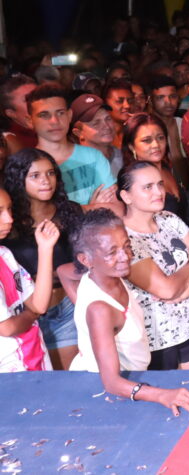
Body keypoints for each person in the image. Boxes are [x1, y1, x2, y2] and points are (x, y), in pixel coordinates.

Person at [65, 209, 189, 415]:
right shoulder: (100, 310)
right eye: (112, 252)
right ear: (86, 260)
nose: (125, 257)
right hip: (110, 391)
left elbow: (63, 272)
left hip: (133, 375)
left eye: (127, 246)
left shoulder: (108, 273)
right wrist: (163, 395)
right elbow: (111, 383)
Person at [118, 162, 189, 370]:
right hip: (156, 342)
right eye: (148, 187)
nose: (159, 192)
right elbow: (166, 289)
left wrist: (184, 293)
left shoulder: (169, 219)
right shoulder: (124, 238)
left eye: (160, 184)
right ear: (126, 196)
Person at [4, 148, 84, 369]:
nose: (46, 181)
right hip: (26, 315)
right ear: (19, 179)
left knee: (71, 377)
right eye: (35, 175)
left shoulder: (70, 212)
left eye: (50, 173)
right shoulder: (8, 223)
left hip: (67, 307)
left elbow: (87, 260)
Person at [0, 188, 58, 372]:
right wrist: (30, 315)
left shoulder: (5, 255)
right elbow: (7, 328)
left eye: (9, 209)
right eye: (0, 212)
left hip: (35, 357)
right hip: (9, 371)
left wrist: (45, 249)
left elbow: (38, 305)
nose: (9, 219)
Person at [121, 114, 188, 219]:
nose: (156, 145)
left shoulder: (167, 168)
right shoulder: (131, 180)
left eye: (160, 138)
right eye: (147, 140)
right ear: (131, 146)